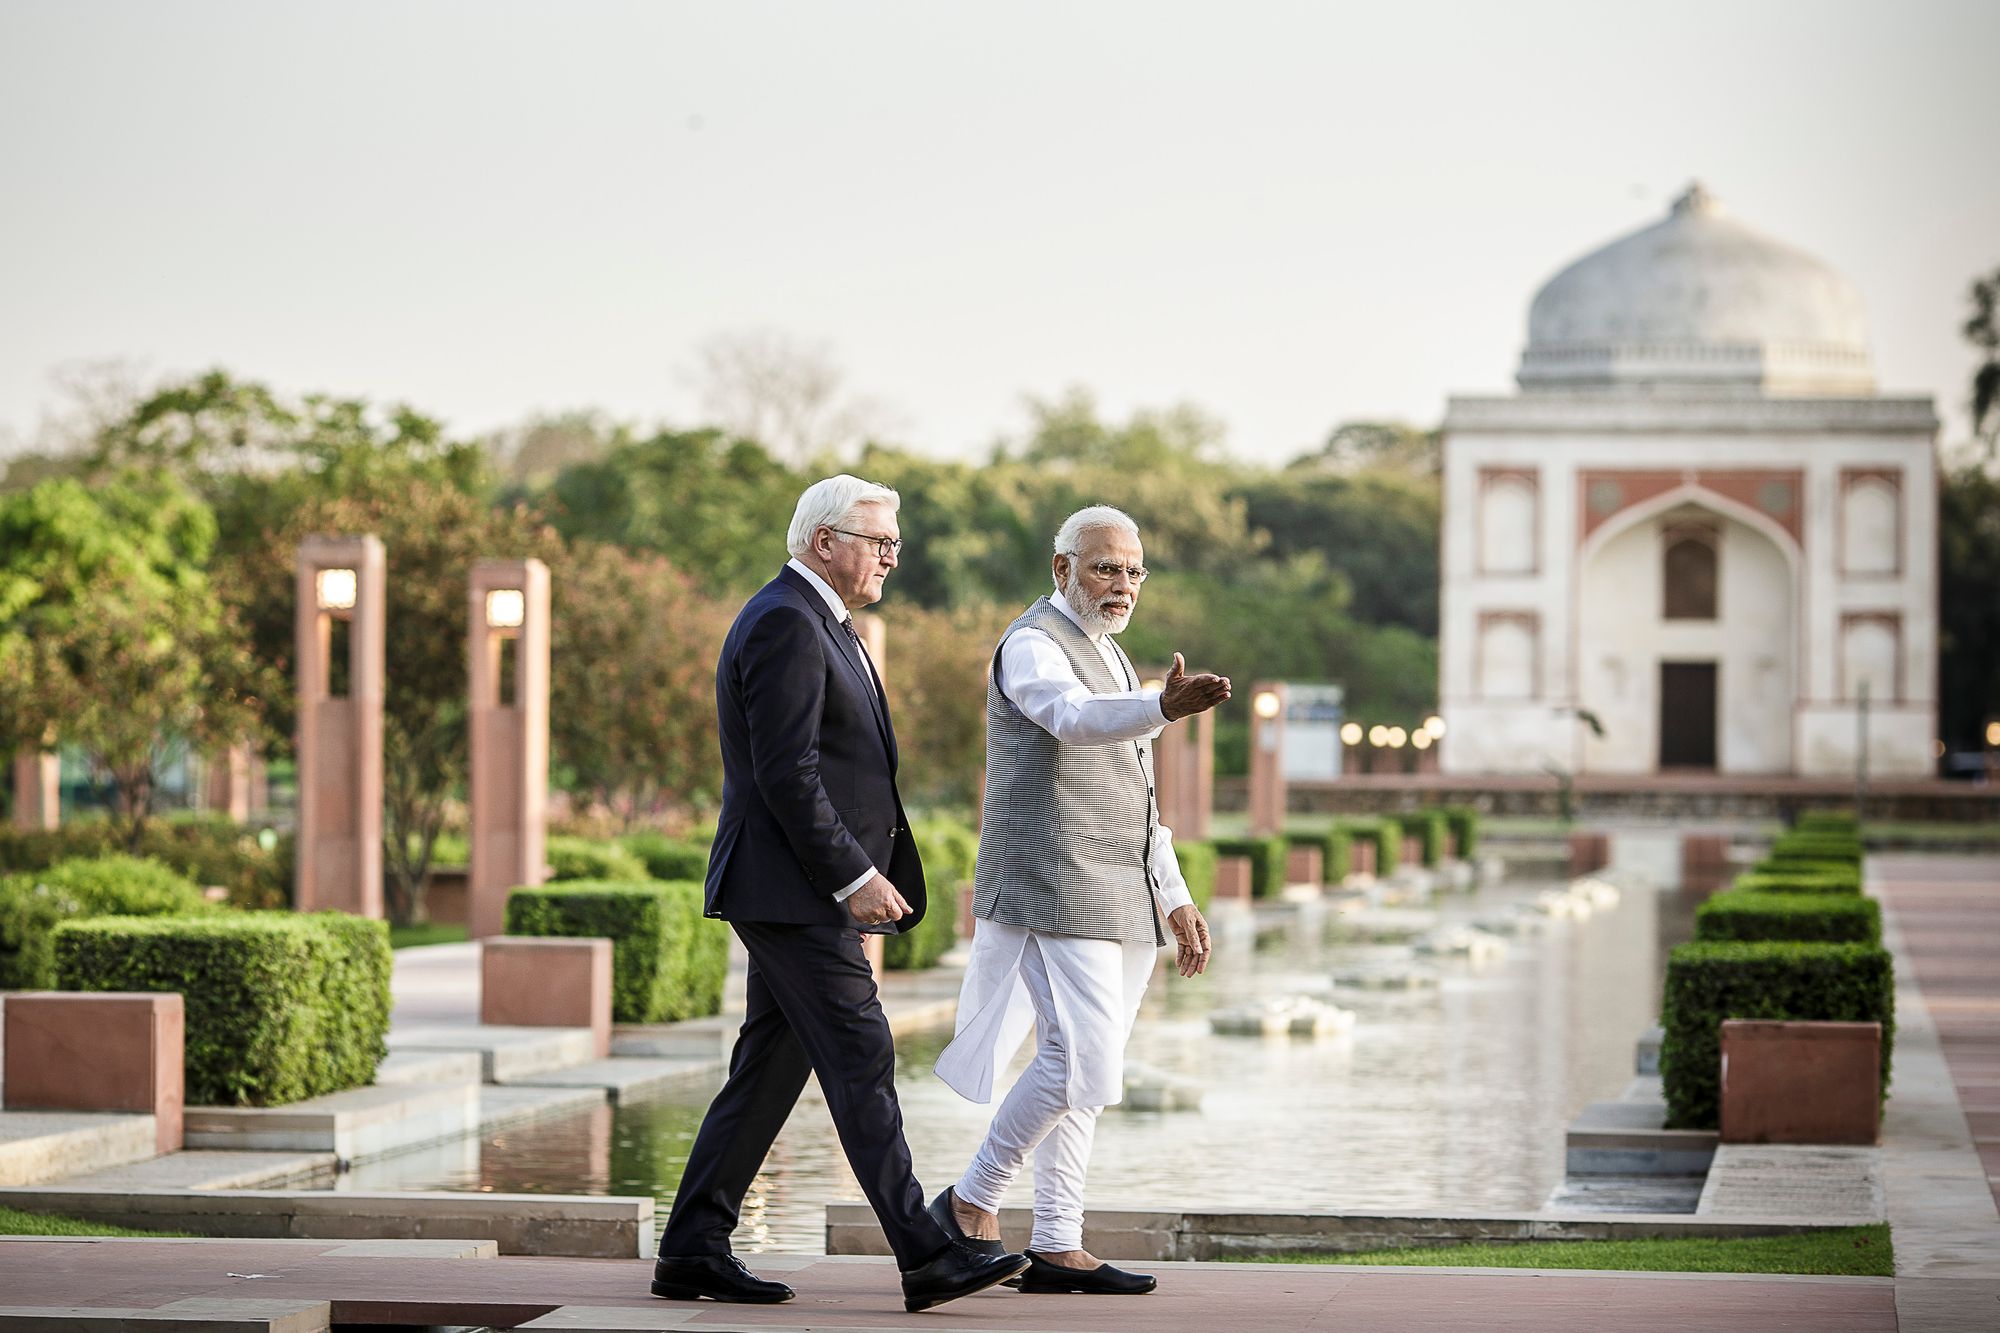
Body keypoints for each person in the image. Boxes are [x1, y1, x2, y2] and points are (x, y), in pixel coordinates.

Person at [651, 475, 1028, 1313]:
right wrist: (853, 875)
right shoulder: (787, 619)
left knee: (768, 1068)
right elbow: (788, 771)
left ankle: (691, 1248)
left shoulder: (821, 620)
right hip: (790, 889)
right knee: (862, 1053)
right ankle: (928, 1252)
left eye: (896, 540)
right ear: (824, 541)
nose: (892, 553)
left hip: (792, 889)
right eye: (877, 538)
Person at [931, 504, 1229, 1295]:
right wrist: (1164, 707)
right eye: (1104, 567)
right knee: (1080, 1061)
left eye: (1133, 569)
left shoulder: (1120, 659)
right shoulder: (1032, 643)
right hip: (1053, 879)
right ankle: (969, 1201)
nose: (1122, 583)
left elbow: (1137, 791)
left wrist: (1176, 893)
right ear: (1060, 568)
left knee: (1092, 1064)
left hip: (1121, 886)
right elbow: (1068, 718)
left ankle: (1059, 1242)